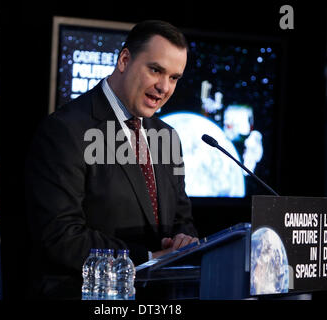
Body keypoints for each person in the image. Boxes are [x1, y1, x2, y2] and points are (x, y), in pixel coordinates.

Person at [25, 20, 198, 299]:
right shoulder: (66, 129)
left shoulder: (168, 137)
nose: (164, 87)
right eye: (155, 70)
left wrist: (184, 241)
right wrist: (149, 257)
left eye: (174, 77)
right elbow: (60, 236)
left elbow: (182, 219)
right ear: (125, 60)